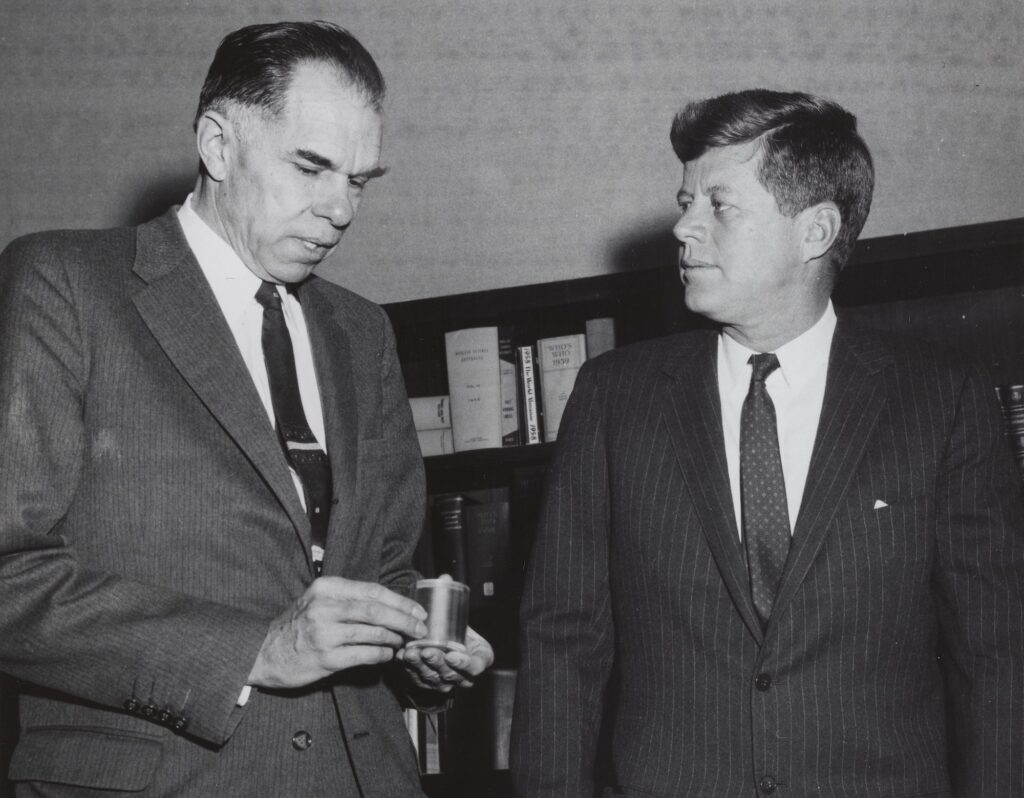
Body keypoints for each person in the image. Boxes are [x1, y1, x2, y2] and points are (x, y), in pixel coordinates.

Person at [0, 21, 492, 796]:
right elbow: (10, 574)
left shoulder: (364, 332)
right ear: (218, 145)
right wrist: (254, 652)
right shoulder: (65, 285)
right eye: (312, 167)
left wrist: (422, 646)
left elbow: (386, 567)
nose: (342, 210)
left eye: (360, 180)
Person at [509, 89, 1024, 797]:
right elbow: (562, 646)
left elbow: (995, 658)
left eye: (718, 206)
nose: (683, 229)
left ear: (814, 231)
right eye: (685, 202)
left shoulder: (941, 401)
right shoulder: (612, 399)